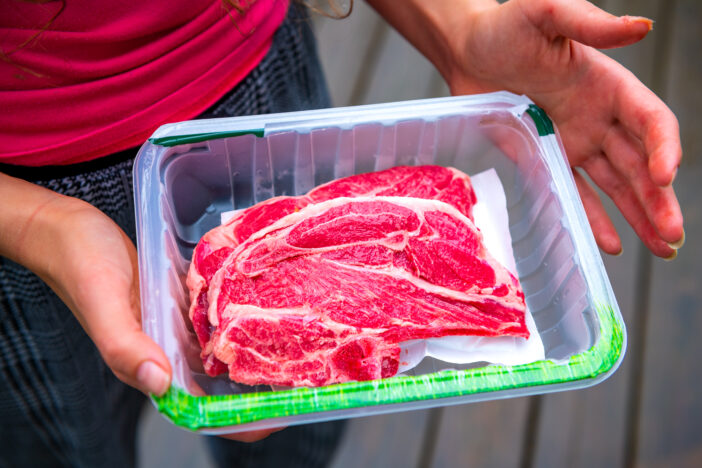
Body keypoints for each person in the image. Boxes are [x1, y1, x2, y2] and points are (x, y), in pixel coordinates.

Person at [0, 0, 685, 466]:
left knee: (296, 434)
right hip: (23, 191)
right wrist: (42, 226)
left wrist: (459, 27)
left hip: (260, 90)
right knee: (66, 448)